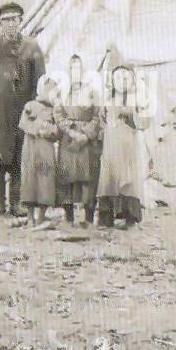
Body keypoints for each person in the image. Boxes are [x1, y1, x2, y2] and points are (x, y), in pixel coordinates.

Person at [0, 2, 45, 217]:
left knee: (19, 156)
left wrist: (37, 109)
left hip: (24, 113)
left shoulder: (32, 47)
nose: (11, 24)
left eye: (15, 19)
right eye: (6, 20)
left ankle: (17, 203)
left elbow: (40, 82)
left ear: (21, 21)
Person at [97, 58, 150, 229]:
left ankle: (130, 218)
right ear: (112, 81)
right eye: (118, 78)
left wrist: (130, 113)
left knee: (128, 180)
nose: (122, 81)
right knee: (108, 179)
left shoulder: (136, 100)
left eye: (125, 78)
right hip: (110, 146)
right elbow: (101, 121)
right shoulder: (107, 101)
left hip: (128, 146)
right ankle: (106, 218)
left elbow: (145, 122)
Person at [55, 55, 103, 227]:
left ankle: (88, 217)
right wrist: (71, 131)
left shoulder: (92, 92)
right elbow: (58, 115)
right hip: (69, 139)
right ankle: (68, 216)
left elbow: (98, 117)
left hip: (87, 141)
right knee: (67, 176)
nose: (76, 72)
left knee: (88, 177)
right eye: (72, 68)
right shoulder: (62, 92)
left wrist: (86, 134)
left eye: (79, 68)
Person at [17, 73, 61, 231]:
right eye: (48, 89)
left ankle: (41, 216)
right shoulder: (30, 106)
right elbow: (23, 124)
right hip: (31, 149)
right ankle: (30, 218)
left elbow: (58, 131)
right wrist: (39, 129)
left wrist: (50, 131)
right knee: (30, 181)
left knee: (45, 182)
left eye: (54, 90)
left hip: (46, 151)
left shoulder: (55, 111)